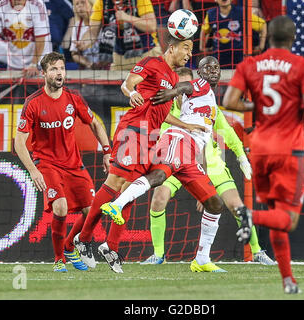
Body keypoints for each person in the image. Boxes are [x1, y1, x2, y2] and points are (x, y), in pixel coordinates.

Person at [99, 56, 245, 273]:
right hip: (178, 139)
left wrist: (202, 167)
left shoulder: (211, 97)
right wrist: (171, 92)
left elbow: (204, 137)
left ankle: (202, 259)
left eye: (217, 67)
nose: (213, 70)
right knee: (158, 177)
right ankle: (117, 205)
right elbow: (186, 86)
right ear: (200, 71)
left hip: (191, 154)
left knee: (215, 204)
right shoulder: (199, 85)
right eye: (208, 67)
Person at [73, 35, 205, 271]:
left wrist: (186, 126)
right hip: (132, 130)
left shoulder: (173, 77)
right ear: (171, 47)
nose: (189, 54)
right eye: (186, 48)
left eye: (191, 50)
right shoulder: (152, 62)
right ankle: (82, 239)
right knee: (114, 182)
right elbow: (128, 82)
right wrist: (130, 92)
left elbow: (161, 113)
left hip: (150, 137)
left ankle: (111, 247)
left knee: (131, 189)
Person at [222, 15, 304, 294]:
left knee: (277, 215)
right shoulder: (302, 66)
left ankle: (288, 280)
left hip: (261, 149)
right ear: (292, 39)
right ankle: (249, 214)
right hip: (290, 150)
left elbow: (229, 101)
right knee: (288, 219)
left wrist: (259, 103)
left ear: (267, 38)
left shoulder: (250, 64)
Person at [140, 66, 274, 267]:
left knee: (237, 207)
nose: (183, 91)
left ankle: (257, 251)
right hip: (178, 165)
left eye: (187, 87)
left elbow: (229, 135)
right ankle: (158, 254)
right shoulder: (167, 112)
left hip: (211, 166)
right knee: (158, 198)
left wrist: (241, 158)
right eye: (180, 86)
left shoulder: (208, 107)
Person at [14, 52, 112, 272]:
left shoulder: (73, 97)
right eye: (54, 69)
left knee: (92, 211)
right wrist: (33, 171)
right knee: (61, 207)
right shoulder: (33, 103)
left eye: (62, 69)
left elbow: (95, 123)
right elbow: (19, 142)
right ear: (43, 74)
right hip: (46, 164)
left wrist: (107, 151)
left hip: (73, 164)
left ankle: (69, 246)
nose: (59, 73)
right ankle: (59, 259)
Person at [75, 0, 162, 70]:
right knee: (115, 90)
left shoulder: (140, 1)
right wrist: (84, 42)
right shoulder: (101, 2)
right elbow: (92, 32)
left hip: (147, 55)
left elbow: (151, 26)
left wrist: (127, 18)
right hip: (119, 58)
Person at [0, 0, 52, 77]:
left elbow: (41, 38)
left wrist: (33, 64)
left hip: (40, 62)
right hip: (15, 62)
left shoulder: (37, 5)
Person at [199, 0, 267, 69]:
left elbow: (263, 25)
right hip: (218, 59)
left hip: (239, 59)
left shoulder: (242, 12)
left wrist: (261, 45)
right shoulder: (211, 14)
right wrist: (201, 47)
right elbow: (204, 31)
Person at [69, 0, 100, 69]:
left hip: (105, 68)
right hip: (87, 70)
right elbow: (74, 54)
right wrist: (88, 64)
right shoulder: (77, 27)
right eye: (77, 4)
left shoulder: (101, 23)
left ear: (91, 5)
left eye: (83, 2)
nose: (80, 5)